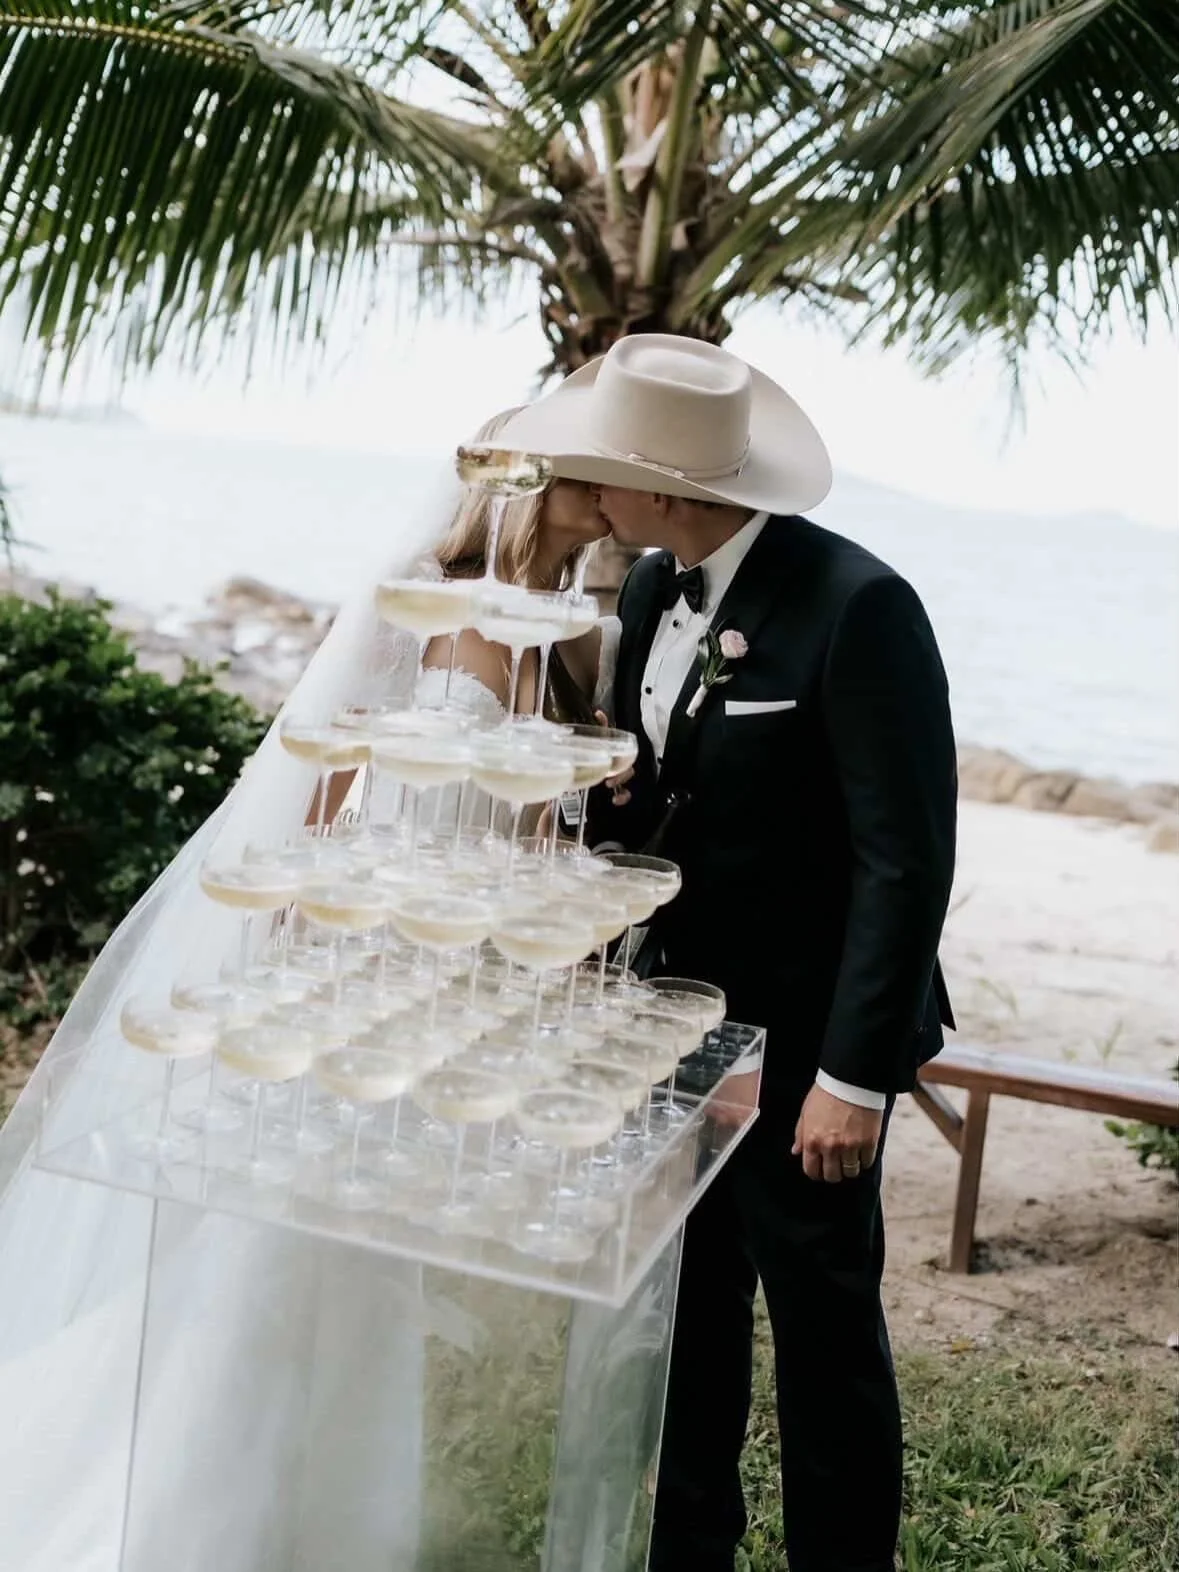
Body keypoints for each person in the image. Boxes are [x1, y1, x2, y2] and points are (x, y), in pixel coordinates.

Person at [493, 334, 958, 1572]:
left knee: (822, 1335)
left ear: (667, 486)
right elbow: (665, 796)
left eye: (603, 473)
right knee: (686, 1316)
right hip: (671, 1026)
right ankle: (687, 1549)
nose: (588, 493)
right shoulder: (649, 585)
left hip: (809, 1041)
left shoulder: (861, 606)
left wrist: (853, 1080)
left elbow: (905, 864)